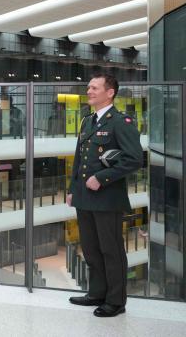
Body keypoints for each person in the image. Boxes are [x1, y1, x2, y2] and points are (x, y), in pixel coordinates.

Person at [66, 72, 143, 317]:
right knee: (90, 249)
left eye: (94, 88)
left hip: (108, 197)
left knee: (111, 250)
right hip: (85, 197)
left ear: (110, 93)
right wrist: (72, 189)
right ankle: (96, 293)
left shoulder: (121, 122)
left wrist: (101, 178)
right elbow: (79, 160)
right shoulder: (87, 121)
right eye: (88, 87)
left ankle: (116, 301)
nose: (89, 91)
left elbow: (134, 159)